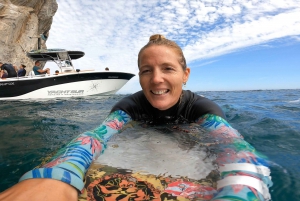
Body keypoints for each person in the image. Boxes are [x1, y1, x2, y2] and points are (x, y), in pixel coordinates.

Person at [0, 34, 272, 201]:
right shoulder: (128, 106)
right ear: (140, 76)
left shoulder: (203, 109)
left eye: (167, 68)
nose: (157, 79)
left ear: (185, 74)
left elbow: (233, 147)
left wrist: (243, 191)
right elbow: (99, 135)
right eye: (146, 70)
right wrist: (58, 174)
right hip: (141, 138)